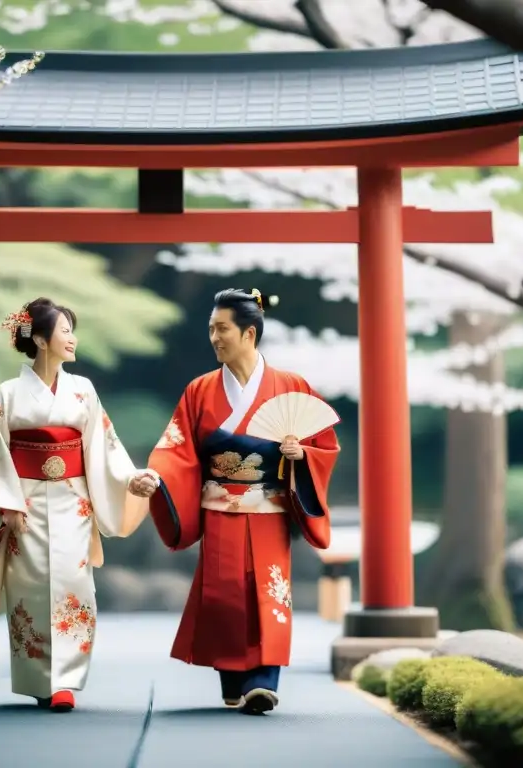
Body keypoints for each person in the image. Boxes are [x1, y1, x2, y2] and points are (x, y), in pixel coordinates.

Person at [0, 297, 159, 713]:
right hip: (24, 503)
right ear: (42, 340)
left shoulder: (83, 390)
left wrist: (129, 477)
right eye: (66, 331)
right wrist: (7, 503)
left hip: (73, 500)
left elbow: (104, 445)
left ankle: (65, 680)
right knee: (29, 590)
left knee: (73, 585)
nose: (73, 339)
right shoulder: (8, 394)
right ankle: (38, 678)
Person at [145, 288, 340, 715]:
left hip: (268, 509)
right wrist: (159, 478)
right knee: (224, 594)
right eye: (211, 329)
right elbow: (176, 450)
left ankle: (264, 681)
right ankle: (233, 679)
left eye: (222, 329)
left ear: (249, 333)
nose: (214, 337)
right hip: (220, 509)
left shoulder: (292, 386)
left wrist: (302, 455)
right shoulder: (200, 390)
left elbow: (323, 444)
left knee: (270, 593)